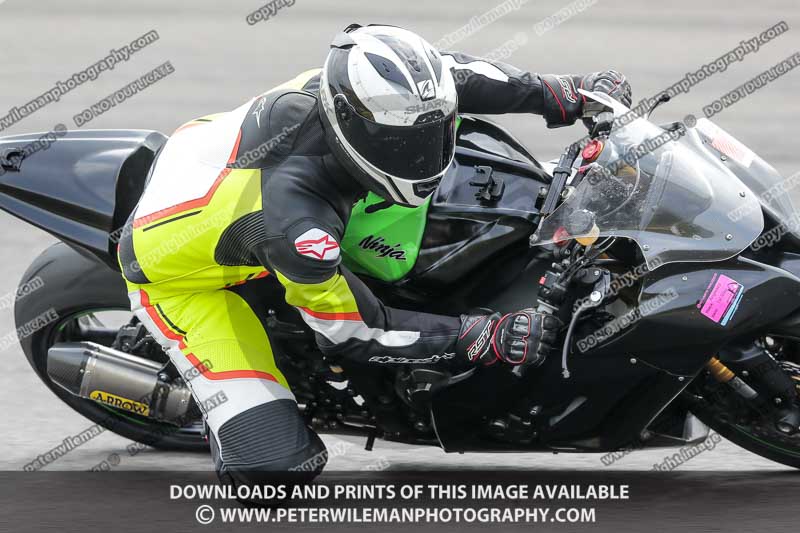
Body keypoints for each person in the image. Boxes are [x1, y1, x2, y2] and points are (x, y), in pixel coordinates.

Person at [117, 24, 632, 487]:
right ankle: (221, 408)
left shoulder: (378, 94)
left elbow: (460, 74)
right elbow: (355, 330)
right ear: (356, 128)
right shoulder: (296, 224)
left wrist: (566, 93)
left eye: (432, 132)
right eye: (407, 142)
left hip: (212, 147)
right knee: (275, 474)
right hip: (184, 279)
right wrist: (480, 335)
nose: (427, 153)